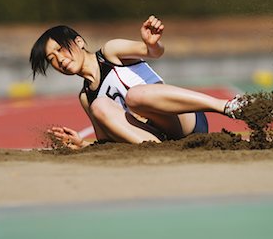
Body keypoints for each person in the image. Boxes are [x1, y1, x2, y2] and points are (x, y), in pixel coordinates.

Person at [30, 15, 243, 149]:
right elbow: (107, 143)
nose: (60, 60)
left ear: (79, 41)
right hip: (156, 138)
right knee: (100, 105)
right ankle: (162, 152)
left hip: (183, 121)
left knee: (135, 96)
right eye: (52, 60)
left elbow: (153, 52)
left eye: (60, 50)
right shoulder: (86, 97)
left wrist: (152, 44)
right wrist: (82, 145)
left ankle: (227, 106)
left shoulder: (111, 51)